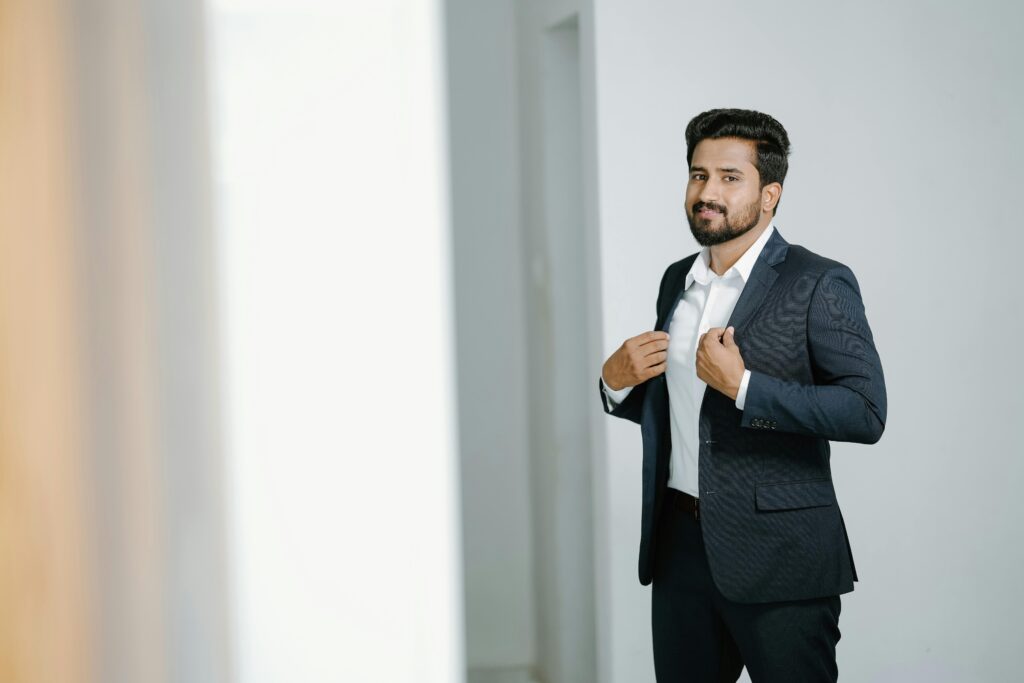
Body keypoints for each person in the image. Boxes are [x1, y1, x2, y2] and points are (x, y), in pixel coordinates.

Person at [599, 108, 886, 682]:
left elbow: (865, 410)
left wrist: (745, 387)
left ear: (770, 193)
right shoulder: (677, 278)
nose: (708, 192)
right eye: (699, 175)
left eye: (730, 177)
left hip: (780, 559)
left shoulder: (817, 282)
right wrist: (614, 382)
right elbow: (683, 410)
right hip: (680, 547)